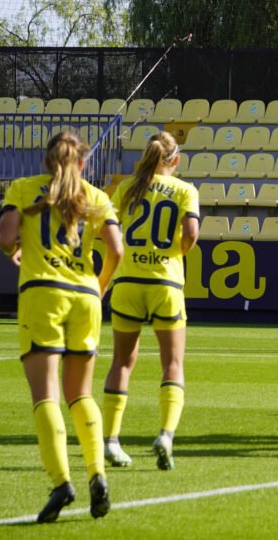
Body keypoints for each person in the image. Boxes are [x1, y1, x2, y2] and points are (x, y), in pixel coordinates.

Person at [0, 131, 123, 523]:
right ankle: (96, 473)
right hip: (85, 297)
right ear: (82, 162)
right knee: (80, 393)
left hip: (43, 293)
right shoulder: (98, 197)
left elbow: (4, 237)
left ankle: (61, 481)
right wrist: (99, 287)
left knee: (46, 395)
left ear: (48, 161)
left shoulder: (23, 188)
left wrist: (14, 250)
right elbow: (116, 250)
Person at [101, 131, 200, 471]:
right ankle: (166, 435)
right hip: (165, 282)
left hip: (127, 281)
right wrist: (176, 254)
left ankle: (111, 441)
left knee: (122, 363)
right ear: (176, 159)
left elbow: (107, 228)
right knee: (172, 363)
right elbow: (190, 235)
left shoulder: (126, 187)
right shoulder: (185, 190)